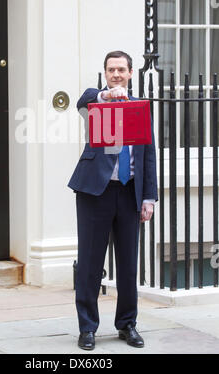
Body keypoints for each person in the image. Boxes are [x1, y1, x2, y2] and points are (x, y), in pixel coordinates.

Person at [68, 50, 158, 351]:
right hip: (96, 191)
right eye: (111, 70)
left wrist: (149, 197)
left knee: (129, 265)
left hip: (129, 192)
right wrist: (106, 95)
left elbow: (149, 156)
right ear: (105, 73)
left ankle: (127, 324)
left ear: (131, 73)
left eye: (121, 69)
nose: (116, 74)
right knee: (90, 264)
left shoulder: (140, 107)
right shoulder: (96, 101)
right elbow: (83, 100)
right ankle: (88, 328)